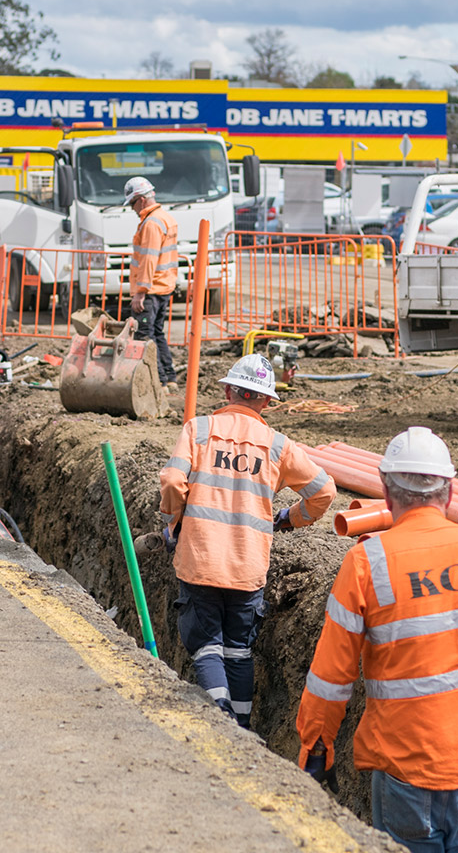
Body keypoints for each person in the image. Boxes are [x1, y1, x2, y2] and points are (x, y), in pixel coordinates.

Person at [295, 427, 458, 853]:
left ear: (385, 489)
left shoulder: (368, 561)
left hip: (408, 766)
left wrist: (316, 742)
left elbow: (331, 675)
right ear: (450, 491)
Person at [158, 354, 336, 727]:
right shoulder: (277, 445)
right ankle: (241, 728)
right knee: (238, 650)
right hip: (248, 565)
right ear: (266, 401)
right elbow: (324, 493)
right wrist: (289, 518)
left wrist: (172, 521)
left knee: (206, 645)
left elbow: (173, 482)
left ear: (226, 389)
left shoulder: (199, 429)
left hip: (200, 557)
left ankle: (220, 718)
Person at [124, 175, 179, 385]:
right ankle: (169, 378)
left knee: (145, 337)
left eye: (132, 203)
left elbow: (148, 259)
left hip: (151, 289)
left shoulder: (151, 223)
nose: (132, 209)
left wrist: (140, 291)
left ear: (141, 200)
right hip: (163, 287)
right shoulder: (166, 218)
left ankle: (159, 381)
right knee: (157, 333)